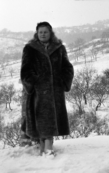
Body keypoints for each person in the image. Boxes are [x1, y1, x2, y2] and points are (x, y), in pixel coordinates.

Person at [20, 21, 74, 157]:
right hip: (37, 91)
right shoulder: (30, 48)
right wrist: (33, 83)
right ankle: (44, 146)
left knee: (52, 117)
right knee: (40, 118)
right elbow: (25, 70)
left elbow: (67, 67)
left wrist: (63, 81)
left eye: (45, 32)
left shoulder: (59, 47)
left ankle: (48, 146)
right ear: (36, 33)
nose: (43, 34)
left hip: (55, 91)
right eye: (40, 32)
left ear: (51, 33)